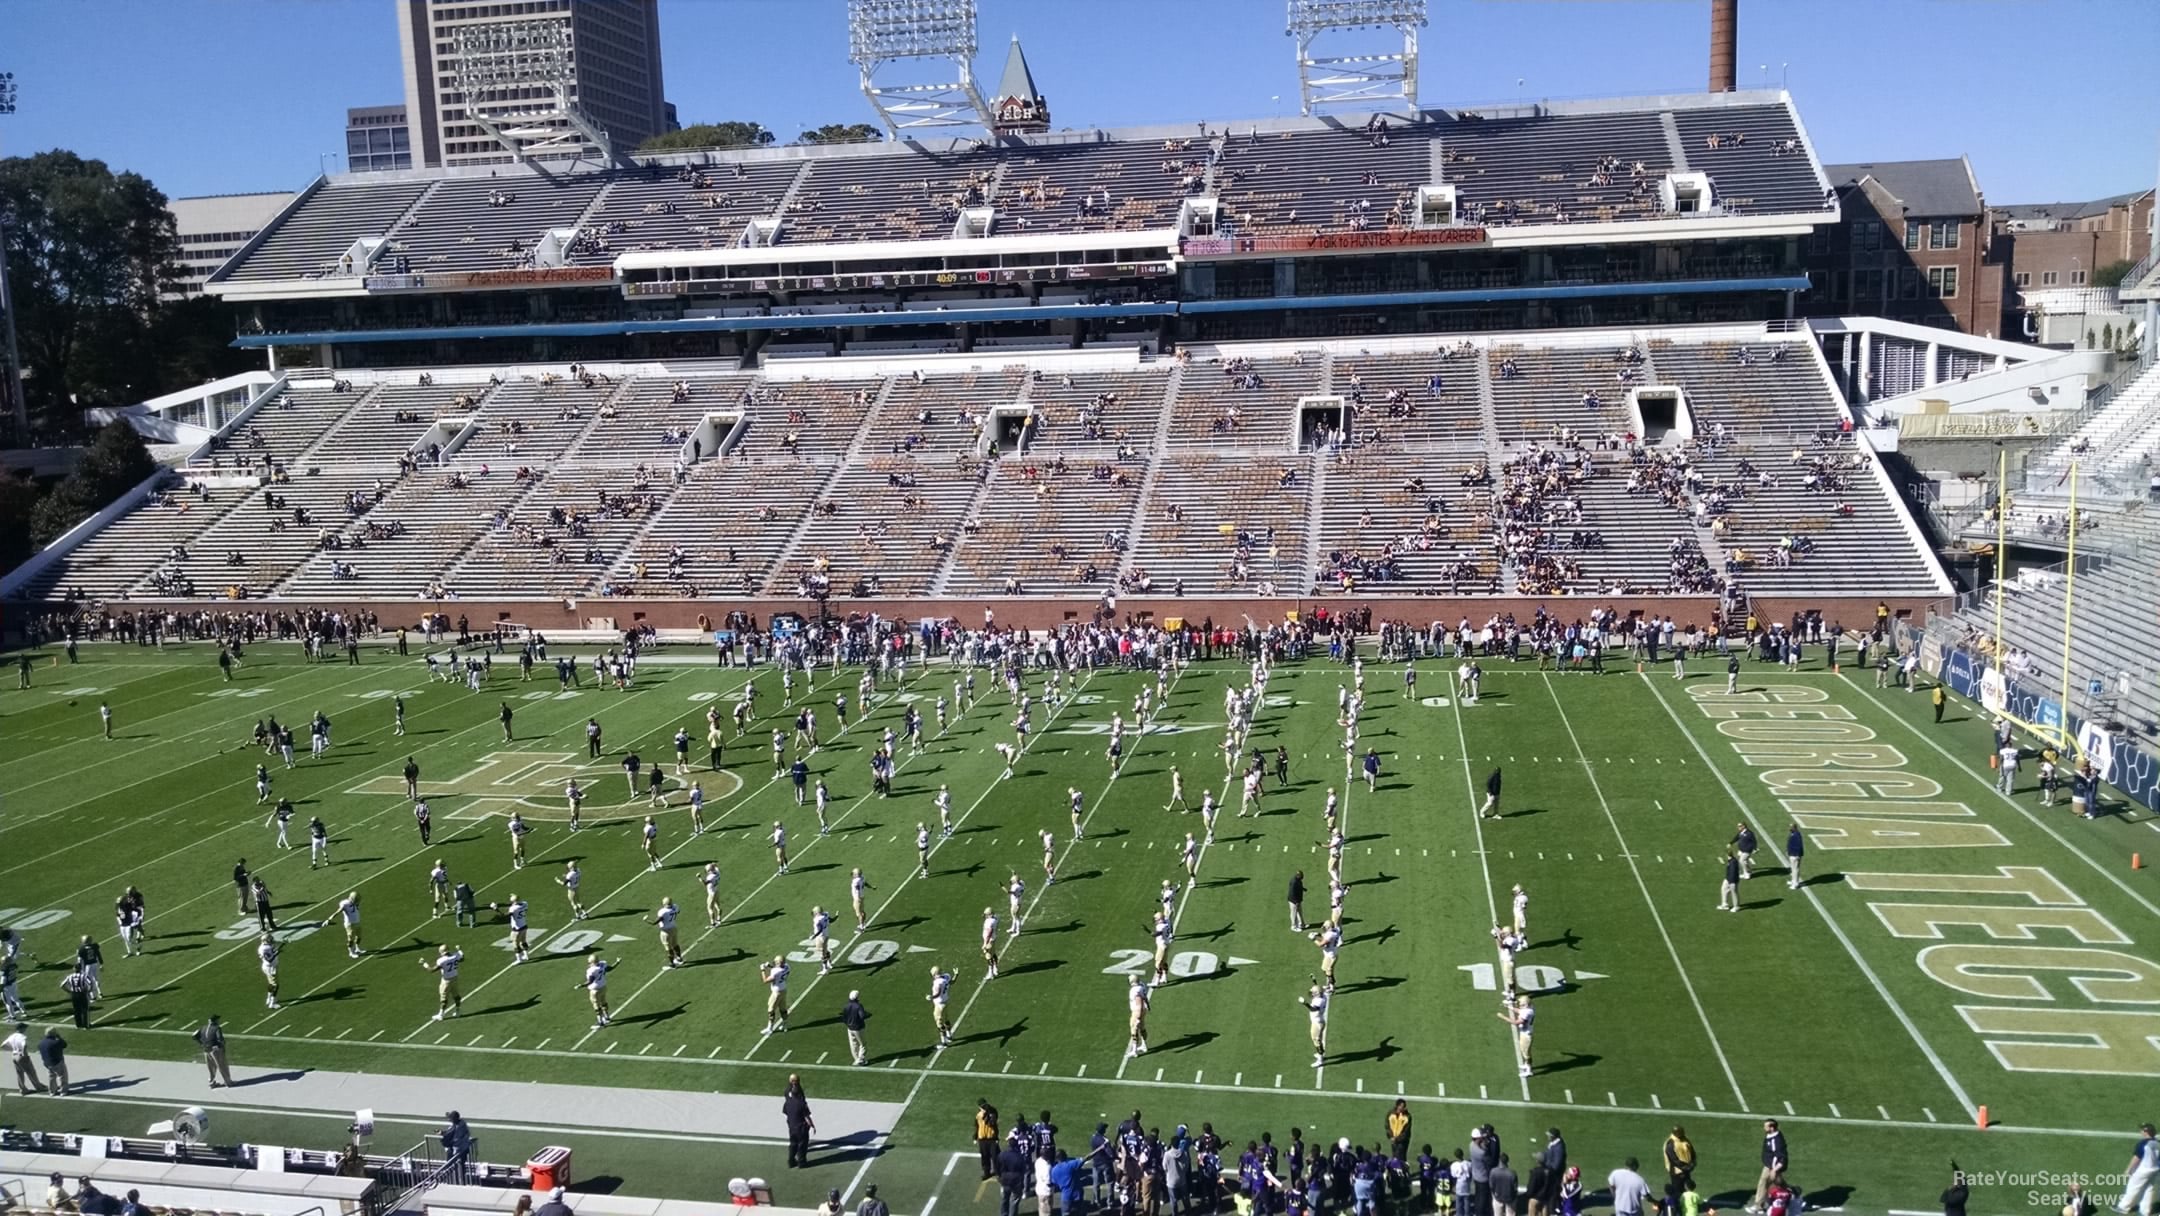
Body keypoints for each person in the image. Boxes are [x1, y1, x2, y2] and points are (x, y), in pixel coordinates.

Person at [1747, 1120, 1788, 1214]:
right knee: (1780, 1183)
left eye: (1766, 1126)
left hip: (1771, 1167)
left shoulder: (1775, 1141)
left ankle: (1758, 1206)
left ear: (1772, 1128)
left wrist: (1774, 1169)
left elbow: (1781, 1157)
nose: (1764, 1128)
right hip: (1770, 1166)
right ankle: (1794, 1196)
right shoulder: (1771, 1135)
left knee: (1763, 1183)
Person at [2122, 1123, 2159, 1216]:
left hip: (2144, 1170)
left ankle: (2123, 1207)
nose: (2140, 1132)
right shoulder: (2158, 1143)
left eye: (2142, 1130)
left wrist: (2128, 1169)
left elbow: (2137, 1158)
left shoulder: (2143, 1143)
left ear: (2146, 1132)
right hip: (2156, 1170)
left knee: (2132, 1186)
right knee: (2149, 1190)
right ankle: (2145, 1211)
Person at [782, 1074, 815, 1168]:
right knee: (802, 1145)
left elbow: (785, 1112)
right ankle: (802, 1162)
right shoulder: (801, 1104)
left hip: (792, 1125)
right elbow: (807, 1116)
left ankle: (791, 1161)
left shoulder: (787, 1101)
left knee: (793, 1144)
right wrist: (812, 1125)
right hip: (801, 1127)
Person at [195, 1014, 234, 1087]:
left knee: (211, 1067)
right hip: (215, 1050)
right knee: (222, 1065)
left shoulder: (203, 1028)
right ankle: (228, 1081)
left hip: (206, 1049)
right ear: (215, 1021)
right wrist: (222, 1046)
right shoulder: (216, 1028)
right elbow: (220, 1039)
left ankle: (211, 1081)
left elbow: (195, 1036)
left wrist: (202, 1044)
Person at [840, 990, 870, 1065]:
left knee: (853, 1044)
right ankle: (861, 1059)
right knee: (863, 1044)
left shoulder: (846, 1006)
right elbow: (862, 1016)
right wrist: (868, 1014)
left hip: (850, 1028)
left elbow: (844, 1018)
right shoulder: (858, 1006)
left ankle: (856, 1059)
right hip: (858, 1028)